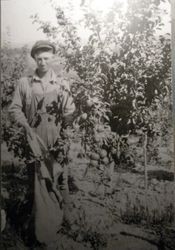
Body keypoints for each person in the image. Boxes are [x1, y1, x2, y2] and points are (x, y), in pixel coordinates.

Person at [9, 40, 75, 249]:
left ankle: (67, 217)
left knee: (60, 176)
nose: (43, 62)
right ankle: (40, 226)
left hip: (57, 139)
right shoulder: (25, 83)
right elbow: (14, 109)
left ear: (53, 58)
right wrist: (27, 127)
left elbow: (69, 112)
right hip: (34, 138)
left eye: (47, 58)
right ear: (34, 59)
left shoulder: (62, 84)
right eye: (39, 58)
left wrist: (66, 133)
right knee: (37, 181)